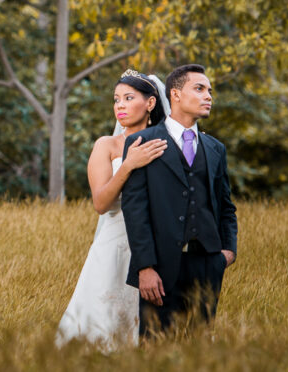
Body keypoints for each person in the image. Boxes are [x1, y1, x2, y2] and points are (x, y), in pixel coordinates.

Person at [120, 63, 238, 337]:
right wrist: (145, 266)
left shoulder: (215, 148)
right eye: (199, 88)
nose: (208, 96)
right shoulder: (142, 142)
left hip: (208, 264)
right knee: (155, 350)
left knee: (199, 351)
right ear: (175, 94)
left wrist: (227, 252)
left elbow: (226, 207)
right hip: (159, 269)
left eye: (210, 90)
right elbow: (135, 209)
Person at [55, 69, 170, 351]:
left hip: (157, 246)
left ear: (151, 103)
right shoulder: (106, 145)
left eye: (128, 98)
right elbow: (101, 203)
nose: (119, 105)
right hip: (114, 247)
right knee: (101, 333)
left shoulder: (166, 144)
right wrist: (128, 164)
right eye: (116, 99)